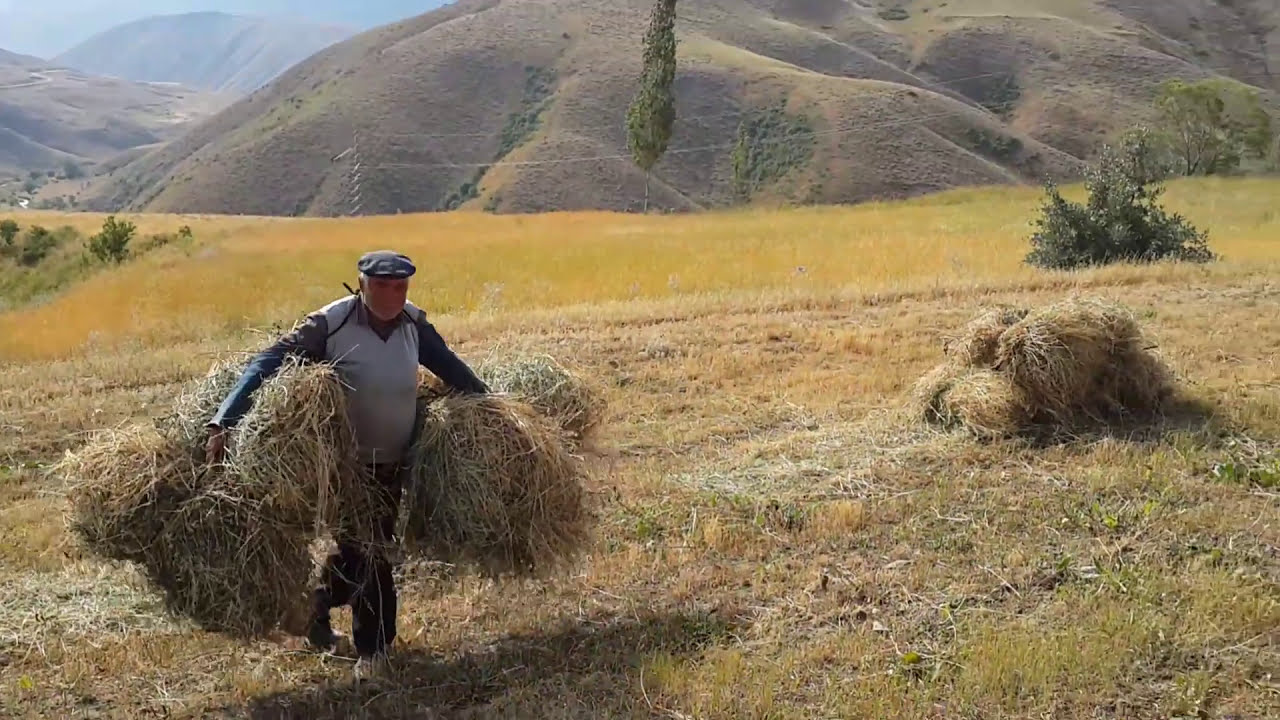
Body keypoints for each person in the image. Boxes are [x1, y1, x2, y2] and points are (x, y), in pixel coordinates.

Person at [204, 249, 489, 679]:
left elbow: (450, 367)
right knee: (372, 552)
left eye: (400, 285)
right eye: (382, 285)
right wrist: (224, 419)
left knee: (364, 551)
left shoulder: (414, 323)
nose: (393, 294)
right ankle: (374, 649)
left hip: (394, 463)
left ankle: (315, 607)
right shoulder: (329, 323)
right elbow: (267, 363)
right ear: (361, 284)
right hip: (346, 467)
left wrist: (495, 406)